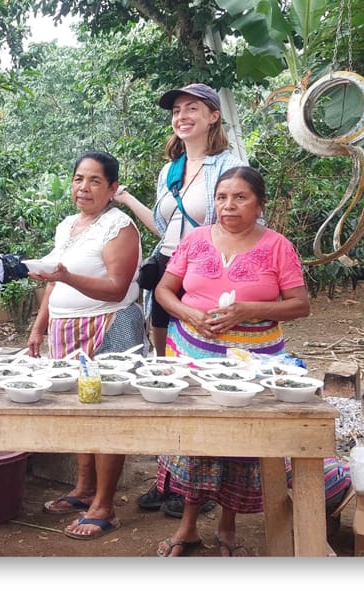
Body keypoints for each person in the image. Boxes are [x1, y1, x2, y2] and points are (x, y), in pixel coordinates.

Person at [151, 166, 311, 556]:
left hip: (253, 363)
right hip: (192, 355)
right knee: (195, 440)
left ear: (260, 204)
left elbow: (300, 304)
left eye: (240, 197)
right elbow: (163, 290)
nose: (229, 205)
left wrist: (247, 310)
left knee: (241, 445)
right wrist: (189, 315)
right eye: (222, 197)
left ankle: (228, 528)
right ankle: (187, 528)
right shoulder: (195, 240)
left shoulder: (277, 246)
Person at [113, 82, 246, 516]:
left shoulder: (230, 164)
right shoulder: (170, 170)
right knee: (169, 380)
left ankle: (204, 488)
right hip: (170, 277)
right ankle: (171, 479)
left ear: (213, 116)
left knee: (206, 380)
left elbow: (237, 223)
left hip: (208, 279)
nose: (181, 115)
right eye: (176, 110)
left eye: (193, 108)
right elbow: (166, 229)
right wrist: (127, 198)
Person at [24, 151, 149, 541]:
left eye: (95, 181)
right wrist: (39, 326)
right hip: (65, 330)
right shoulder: (68, 226)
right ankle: (82, 489)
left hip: (110, 326)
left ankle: (105, 505)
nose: (84, 187)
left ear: (113, 189)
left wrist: (66, 276)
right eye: (79, 178)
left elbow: (115, 286)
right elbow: (53, 280)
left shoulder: (120, 227)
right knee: (79, 409)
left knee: (108, 412)